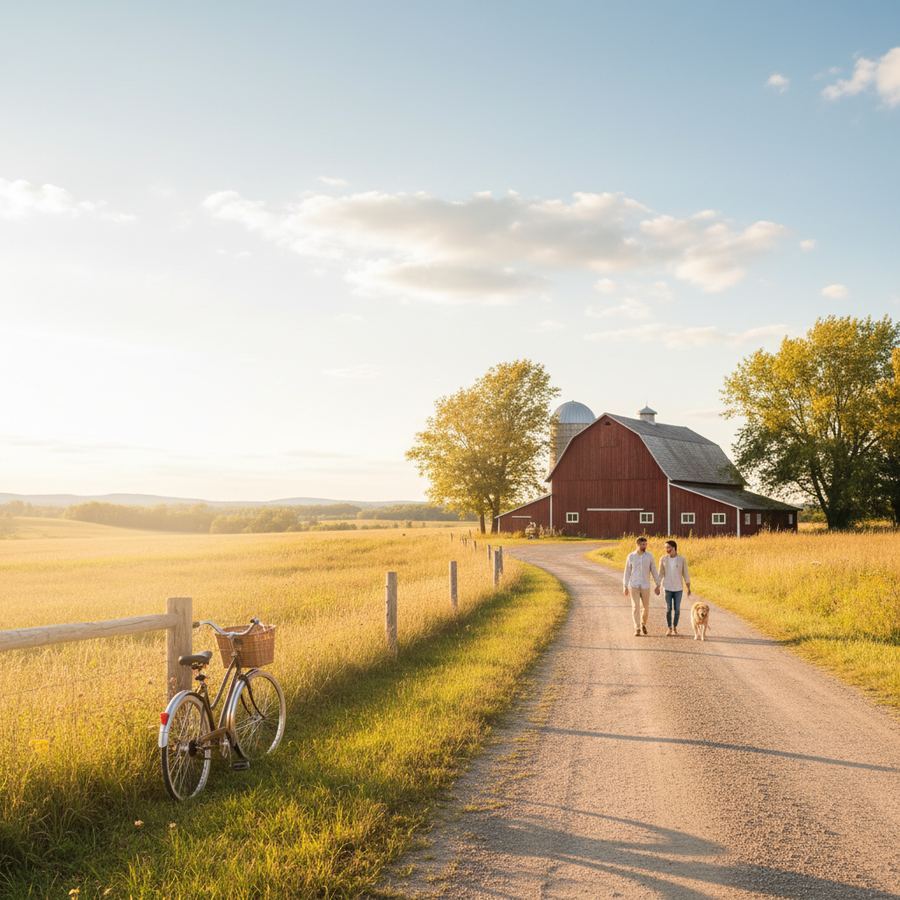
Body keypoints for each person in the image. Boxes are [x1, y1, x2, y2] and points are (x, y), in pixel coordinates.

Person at [623, 536, 660, 636]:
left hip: (645, 585)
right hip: (634, 585)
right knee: (635, 607)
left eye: (646, 544)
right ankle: (637, 628)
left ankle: (643, 623)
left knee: (646, 608)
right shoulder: (631, 556)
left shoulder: (649, 556)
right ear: (638, 544)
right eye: (643, 544)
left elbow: (654, 570)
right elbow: (627, 572)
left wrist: (658, 584)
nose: (645, 546)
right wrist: (625, 586)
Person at [659, 539, 691, 636]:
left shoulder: (682, 559)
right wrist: (657, 585)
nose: (666, 549)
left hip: (678, 589)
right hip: (667, 587)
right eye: (665, 547)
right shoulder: (663, 559)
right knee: (669, 609)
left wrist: (688, 587)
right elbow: (660, 573)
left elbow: (685, 573)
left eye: (668, 547)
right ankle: (669, 628)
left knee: (677, 609)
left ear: (674, 548)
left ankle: (675, 627)